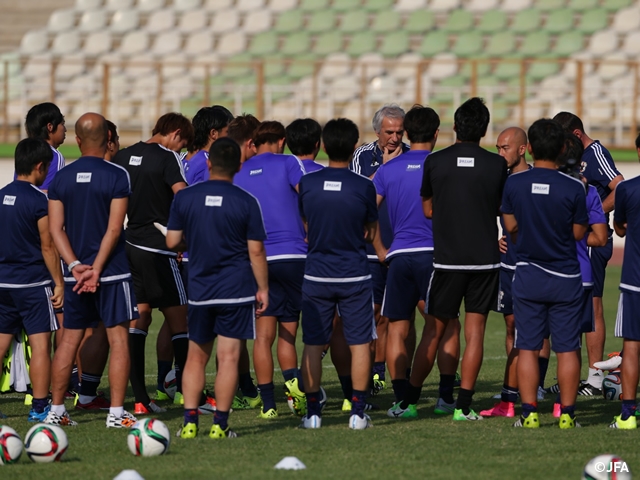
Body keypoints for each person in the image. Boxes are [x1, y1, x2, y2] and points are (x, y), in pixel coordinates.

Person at [393, 97, 507, 421]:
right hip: (485, 261)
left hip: (445, 261)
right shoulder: (497, 165)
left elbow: (428, 210)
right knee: (476, 333)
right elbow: (500, 207)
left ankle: (409, 402)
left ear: (454, 127)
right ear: (484, 130)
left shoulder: (435, 162)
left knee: (433, 331)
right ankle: (463, 407)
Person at [168, 137, 268, 439]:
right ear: (239, 165)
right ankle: (220, 425)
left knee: (196, 357)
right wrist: (262, 287)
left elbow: (172, 242)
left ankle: (188, 422)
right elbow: (256, 252)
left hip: (200, 289)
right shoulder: (247, 201)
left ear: (209, 163)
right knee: (228, 359)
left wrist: (194, 241)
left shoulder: (185, 198)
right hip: (236, 290)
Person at [46, 112, 138, 428]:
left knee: (68, 341)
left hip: (75, 275)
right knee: (119, 341)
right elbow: (114, 229)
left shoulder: (61, 178)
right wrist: (96, 269)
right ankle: (115, 413)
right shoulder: (117, 175)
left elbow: (56, 229)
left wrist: (75, 266)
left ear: (78, 140)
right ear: (109, 139)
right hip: (111, 271)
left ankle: (57, 411)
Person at [374, 106, 460, 416]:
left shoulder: (387, 169)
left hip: (398, 257)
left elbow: (366, 212)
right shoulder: (445, 166)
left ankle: (401, 398)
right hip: (435, 256)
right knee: (448, 326)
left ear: (406, 133)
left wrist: (380, 248)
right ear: (437, 133)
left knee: (397, 327)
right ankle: (445, 396)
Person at [502, 118, 588, 429]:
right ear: (564, 148)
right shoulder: (574, 187)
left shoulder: (514, 183)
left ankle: (529, 414)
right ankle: (567, 415)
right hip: (565, 276)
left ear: (532, 148)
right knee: (567, 348)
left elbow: (510, 226)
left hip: (528, 274)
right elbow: (579, 233)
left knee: (527, 345)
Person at [298, 118, 378, 430]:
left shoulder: (308, 184)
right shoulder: (364, 186)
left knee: (313, 344)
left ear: (324, 145)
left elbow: (306, 226)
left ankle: (313, 413)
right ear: (354, 145)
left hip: (317, 273)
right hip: (354, 275)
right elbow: (370, 232)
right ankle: (357, 413)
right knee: (359, 343)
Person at [112, 113, 194, 414]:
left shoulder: (123, 155)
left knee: (139, 319)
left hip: (129, 245)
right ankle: (188, 392)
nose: (181, 146)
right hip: (160, 248)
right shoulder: (168, 157)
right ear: (173, 133)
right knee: (181, 321)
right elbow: (182, 196)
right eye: (182, 140)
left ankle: (140, 400)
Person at [234, 121, 306, 419]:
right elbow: (309, 195)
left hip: (258, 259)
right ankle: (296, 390)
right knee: (290, 334)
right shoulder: (290, 162)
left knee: (263, 336)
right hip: (293, 255)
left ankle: (267, 405)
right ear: (282, 140)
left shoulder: (239, 173)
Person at [553, 111, 624, 395]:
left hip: (593, 242)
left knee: (592, 306)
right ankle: (573, 376)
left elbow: (619, 187)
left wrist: (591, 213)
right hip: (578, 241)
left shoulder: (595, 153)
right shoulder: (572, 159)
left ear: (577, 135)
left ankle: (595, 379)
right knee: (572, 307)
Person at [0, 138, 63, 422]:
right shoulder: (40, 200)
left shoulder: (1, 196)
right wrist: (59, 282)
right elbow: (48, 246)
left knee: (1, 342)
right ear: (40, 167)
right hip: (32, 284)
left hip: (3, 283)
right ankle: (39, 407)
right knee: (40, 345)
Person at [350, 104, 410, 396]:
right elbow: (360, 194)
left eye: (399, 132)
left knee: (398, 315)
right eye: (389, 132)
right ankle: (374, 372)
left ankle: (396, 370)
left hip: (402, 247)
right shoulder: (363, 156)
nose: (395, 138)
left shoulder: (412, 155)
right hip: (371, 248)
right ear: (377, 132)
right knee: (373, 313)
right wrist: (386, 168)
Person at [481, 127, 532, 418]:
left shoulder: (535, 177)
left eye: (505, 148)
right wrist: (496, 238)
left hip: (532, 265)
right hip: (508, 265)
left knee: (537, 330)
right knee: (512, 327)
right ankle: (509, 399)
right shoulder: (498, 179)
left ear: (522, 149)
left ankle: (530, 391)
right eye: (498, 148)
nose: (500, 153)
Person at [609, 132, 640, 429]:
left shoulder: (627, 190)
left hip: (635, 281)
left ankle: (628, 414)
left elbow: (619, 229)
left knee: (632, 345)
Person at [184, 105, 234, 184]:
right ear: (213, 133)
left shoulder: (195, 159)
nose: (231, 136)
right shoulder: (206, 165)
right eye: (228, 132)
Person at [24, 102, 67, 192]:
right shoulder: (54, 156)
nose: (65, 129)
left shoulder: (24, 151)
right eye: (62, 124)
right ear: (50, 127)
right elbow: (48, 194)